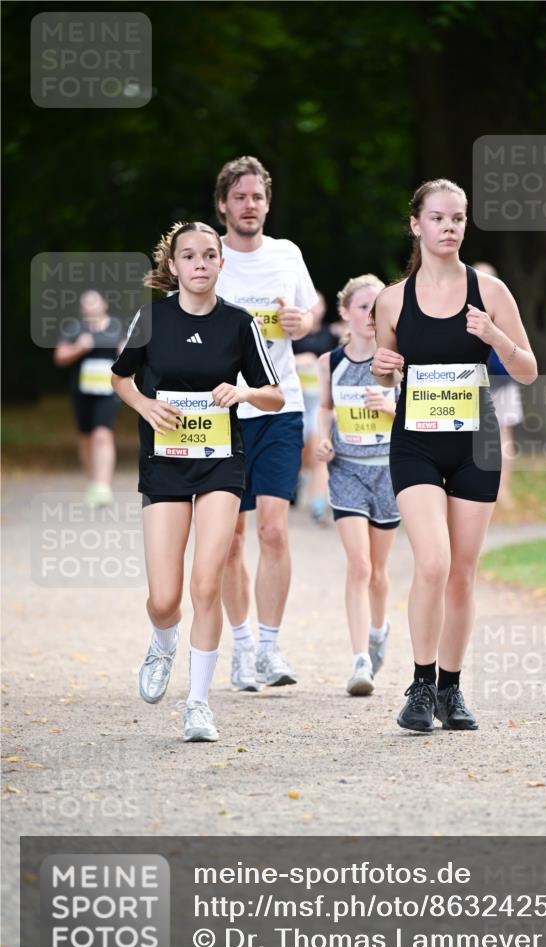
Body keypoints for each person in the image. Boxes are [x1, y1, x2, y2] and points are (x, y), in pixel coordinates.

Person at [372, 179, 538, 734]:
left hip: (476, 445)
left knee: (462, 574)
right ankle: (419, 685)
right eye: (439, 218)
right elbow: (382, 365)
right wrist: (381, 370)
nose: (449, 227)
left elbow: (527, 370)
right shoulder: (392, 299)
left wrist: (495, 336)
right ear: (416, 224)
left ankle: (451, 688)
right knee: (433, 562)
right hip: (416, 440)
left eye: (459, 218)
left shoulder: (490, 291)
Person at [110, 221, 283, 742]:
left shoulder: (238, 323)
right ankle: (163, 641)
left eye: (210, 255)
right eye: (190, 256)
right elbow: (121, 375)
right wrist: (144, 404)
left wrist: (243, 394)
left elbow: (274, 394)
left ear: (220, 263)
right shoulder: (151, 318)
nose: (201, 264)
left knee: (206, 582)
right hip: (164, 462)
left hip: (219, 464)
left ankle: (198, 704)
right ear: (175, 266)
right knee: (166, 597)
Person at [213, 155, 319, 692]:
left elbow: (312, 308)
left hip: (281, 406)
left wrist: (304, 320)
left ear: (267, 204)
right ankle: (241, 647)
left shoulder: (286, 254)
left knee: (273, 529)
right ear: (223, 205)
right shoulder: (209, 255)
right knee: (230, 538)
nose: (249, 205)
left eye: (257, 197)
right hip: (222, 413)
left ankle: (272, 648)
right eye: (240, 197)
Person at [317, 274, 399, 696]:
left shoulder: (397, 361)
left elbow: (418, 417)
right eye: (363, 307)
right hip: (347, 470)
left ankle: (379, 630)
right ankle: (359, 660)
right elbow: (325, 408)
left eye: (377, 307)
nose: (371, 315)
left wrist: (388, 406)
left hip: (388, 471)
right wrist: (324, 438)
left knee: (380, 573)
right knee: (360, 566)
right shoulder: (331, 362)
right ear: (346, 313)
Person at [53, 289, 124, 507]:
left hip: (109, 389)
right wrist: (78, 348)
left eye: (94, 303)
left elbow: (130, 353)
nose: (91, 308)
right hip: (82, 389)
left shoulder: (117, 327)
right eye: (86, 304)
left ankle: (104, 486)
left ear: (104, 304)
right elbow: (59, 357)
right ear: (82, 309)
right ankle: (93, 483)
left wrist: (125, 352)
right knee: (86, 438)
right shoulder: (75, 328)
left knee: (102, 434)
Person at [473, 262, 525, 509]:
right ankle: (499, 492)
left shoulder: (466, 308)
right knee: (500, 436)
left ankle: (500, 491)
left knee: (498, 436)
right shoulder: (503, 306)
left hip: (494, 382)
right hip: (490, 382)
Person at [293, 291, 340, 523]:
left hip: (320, 400)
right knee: (301, 452)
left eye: (318, 304)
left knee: (318, 446)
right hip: (296, 400)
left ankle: (319, 504)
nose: (315, 309)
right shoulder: (292, 336)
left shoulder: (330, 335)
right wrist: (302, 360)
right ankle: (299, 478)